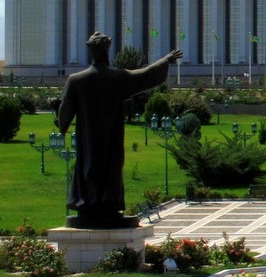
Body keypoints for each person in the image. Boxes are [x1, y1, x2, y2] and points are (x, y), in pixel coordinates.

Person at [57, 32, 181, 228]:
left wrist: (61, 126)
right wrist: (165, 61)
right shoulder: (117, 77)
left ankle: (87, 203)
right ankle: (108, 203)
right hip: (111, 135)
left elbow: (65, 110)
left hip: (88, 137)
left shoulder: (76, 80)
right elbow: (146, 76)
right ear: (108, 49)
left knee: (88, 165)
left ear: (90, 50)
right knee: (111, 166)